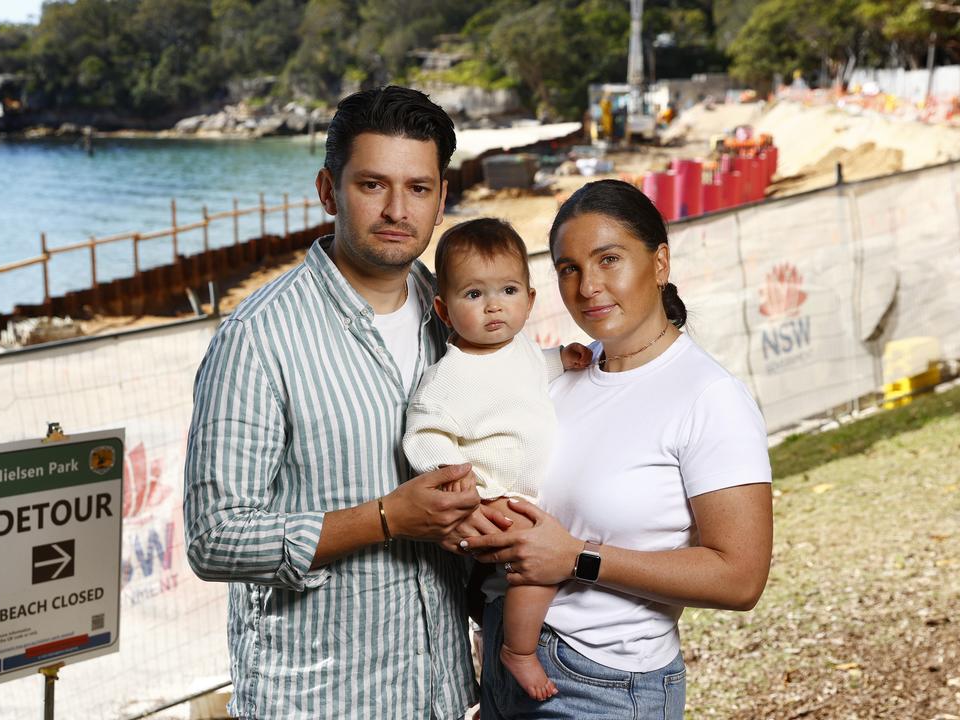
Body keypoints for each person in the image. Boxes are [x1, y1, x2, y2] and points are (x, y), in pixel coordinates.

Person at [184, 86, 506, 719]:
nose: (396, 209)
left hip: (440, 693)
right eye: (372, 185)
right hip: (318, 700)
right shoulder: (257, 338)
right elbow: (213, 538)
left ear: (442, 199)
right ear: (329, 191)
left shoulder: (457, 318)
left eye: (418, 188)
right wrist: (386, 518)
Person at [462, 179, 775, 719]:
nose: (588, 287)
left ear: (659, 263)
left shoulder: (710, 397)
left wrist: (579, 559)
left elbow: (741, 577)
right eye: (569, 268)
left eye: (609, 259)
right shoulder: (557, 378)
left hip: (603, 685)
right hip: (503, 662)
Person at [401, 218, 592, 702]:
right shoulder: (449, 377)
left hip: (526, 492)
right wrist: (466, 490)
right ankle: (518, 652)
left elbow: (526, 375)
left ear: (529, 300)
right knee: (536, 566)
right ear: (444, 309)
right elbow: (423, 436)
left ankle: (493, 634)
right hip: (494, 496)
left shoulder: (521, 349)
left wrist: (560, 360)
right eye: (473, 295)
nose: (493, 306)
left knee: (520, 576)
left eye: (507, 290)